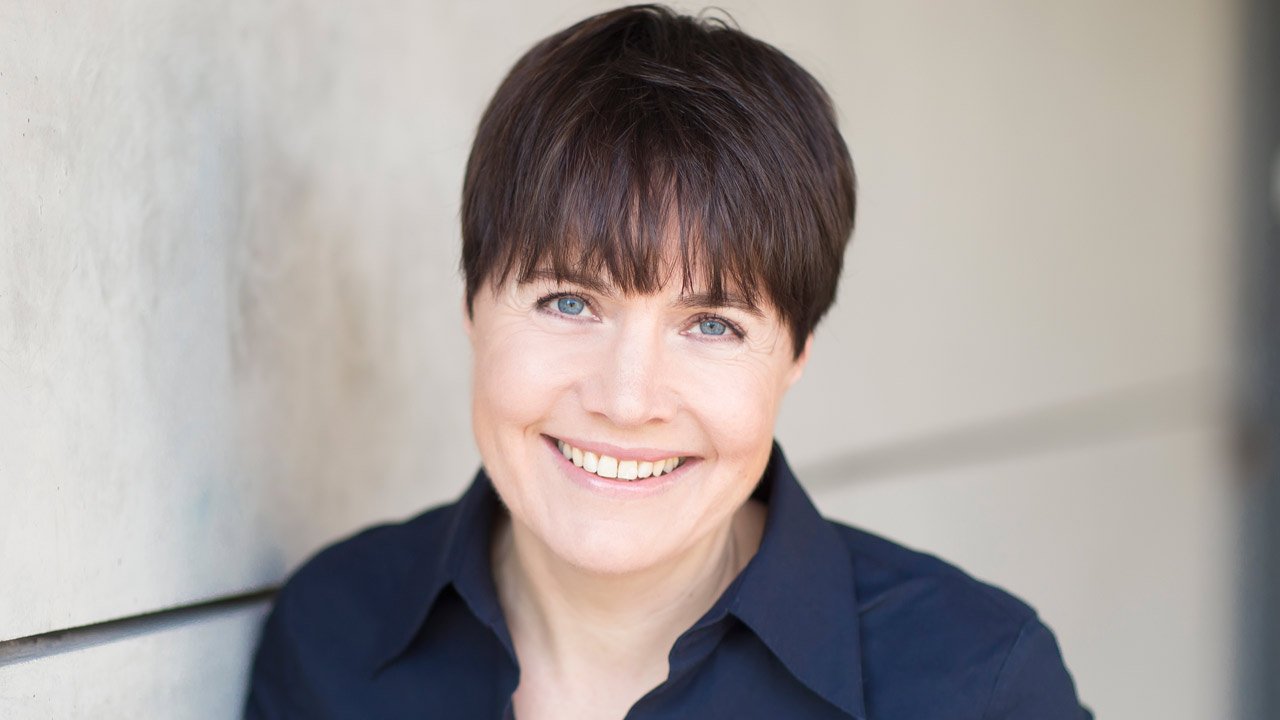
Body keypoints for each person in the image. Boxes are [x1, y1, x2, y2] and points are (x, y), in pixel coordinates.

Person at [245, 5, 1092, 719]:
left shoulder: (974, 685)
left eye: (712, 324)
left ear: (797, 352)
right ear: (472, 307)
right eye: (568, 302)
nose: (626, 398)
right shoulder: (333, 638)